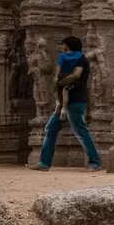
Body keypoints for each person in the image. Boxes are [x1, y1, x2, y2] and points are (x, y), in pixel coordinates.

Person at [32, 35, 102, 171]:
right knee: (51, 128)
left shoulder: (82, 60)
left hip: (75, 100)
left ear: (68, 45)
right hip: (66, 102)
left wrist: (60, 82)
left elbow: (76, 75)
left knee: (81, 132)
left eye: (63, 44)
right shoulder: (66, 58)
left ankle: (95, 162)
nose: (62, 47)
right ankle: (44, 163)